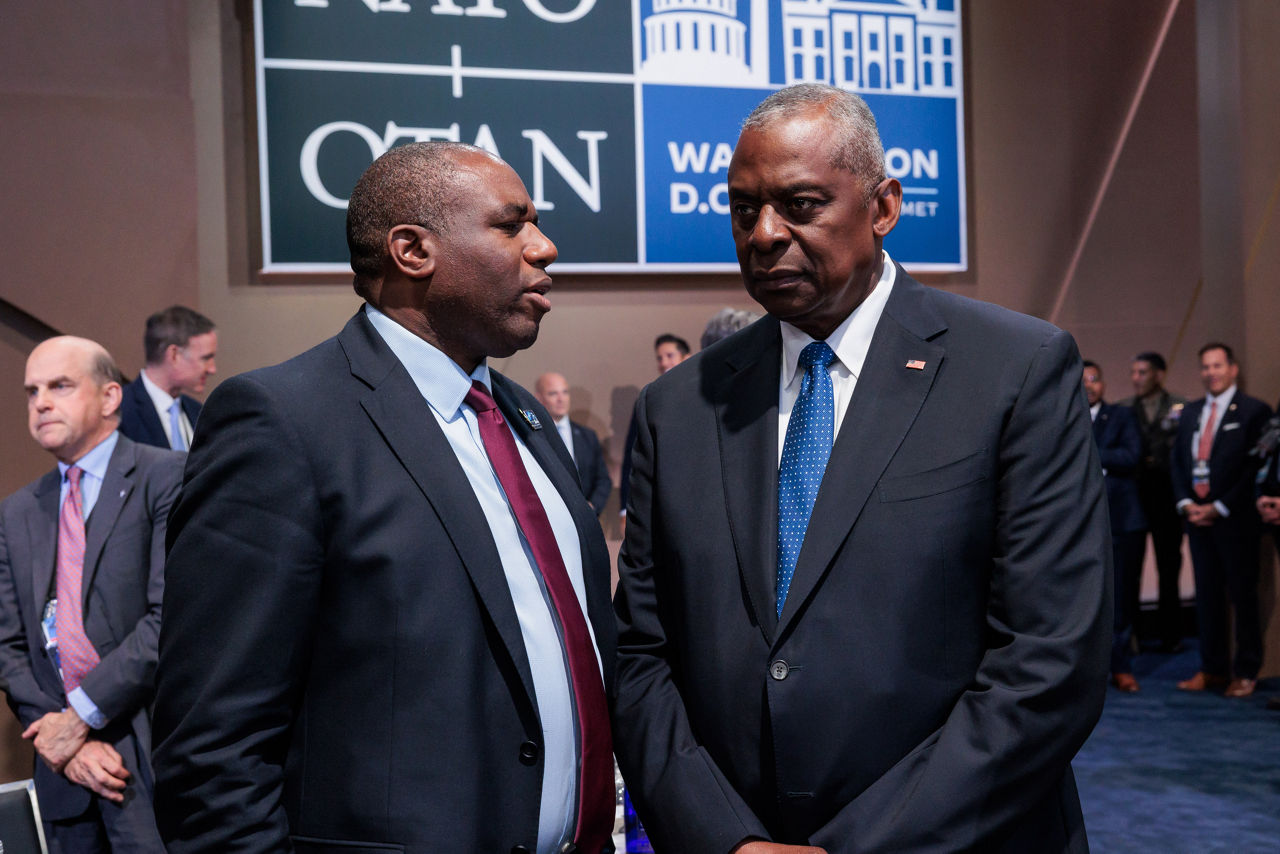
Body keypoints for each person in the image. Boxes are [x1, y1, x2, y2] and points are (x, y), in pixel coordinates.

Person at [611, 84, 1110, 853]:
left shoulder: (1015, 370)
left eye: (801, 204)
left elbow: (1049, 664)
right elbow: (642, 657)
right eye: (744, 210)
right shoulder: (676, 408)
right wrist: (726, 840)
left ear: (883, 207)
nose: (766, 234)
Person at [151, 142, 616, 853]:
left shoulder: (520, 418)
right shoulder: (284, 423)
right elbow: (212, 749)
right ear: (411, 250)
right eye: (510, 224)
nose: (544, 247)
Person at [0, 336, 182, 851]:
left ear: (108, 398)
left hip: (147, 752)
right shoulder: (16, 512)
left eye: (59, 386)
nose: (41, 403)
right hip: (64, 773)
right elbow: (9, 647)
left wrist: (80, 716)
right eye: (31, 391)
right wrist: (64, 741)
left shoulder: (166, 477)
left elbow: (168, 619)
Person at [1171, 343, 1271, 698]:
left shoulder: (1254, 411)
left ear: (1232, 369)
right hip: (1196, 520)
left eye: (1217, 365)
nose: (1210, 372)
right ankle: (1212, 668)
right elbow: (1177, 460)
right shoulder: (1191, 411)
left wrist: (1220, 506)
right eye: (1205, 367)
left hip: (1236, 520)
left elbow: (1253, 468)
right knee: (1207, 597)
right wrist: (1186, 503)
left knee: (1243, 598)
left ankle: (1245, 671)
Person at [1083, 361, 1147, 692]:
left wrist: (1085, 450)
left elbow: (1131, 456)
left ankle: (1121, 667)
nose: (1090, 385)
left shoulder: (1122, 416)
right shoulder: (1064, 421)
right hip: (1079, 526)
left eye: (1095, 378)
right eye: (1083, 381)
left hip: (1123, 521)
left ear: (1104, 384)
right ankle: (1087, 672)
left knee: (1121, 598)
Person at [1118, 351, 1187, 651]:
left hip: (1167, 497)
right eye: (1133, 372)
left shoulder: (1180, 406)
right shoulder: (1123, 410)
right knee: (1129, 571)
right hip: (1134, 497)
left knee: (1169, 567)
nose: (1136, 378)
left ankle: (1170, 635)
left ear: (1159, 374)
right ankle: (1131, 635)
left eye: (1142, 372)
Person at [118, 306, 217, 451]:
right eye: (206, 358)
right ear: (174, 355)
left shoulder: (199, 413)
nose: (212, 369)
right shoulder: (120, 411)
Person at [618, 333, 691, 524]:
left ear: (686, 358)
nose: (664, 362)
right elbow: (631, 455)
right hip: (658, 500)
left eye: (669, 356)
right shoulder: (648, 400)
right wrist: (625, 510)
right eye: (659, 358)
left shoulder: (704, 398)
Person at [536, 371, 613, 515]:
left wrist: (592, 506)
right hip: (548, 517)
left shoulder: (588, 436)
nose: (561, 399)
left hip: (584, 519)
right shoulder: (532, 437)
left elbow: (603, 480)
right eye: (553, 393)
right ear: (539, 398)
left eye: (565, 392)